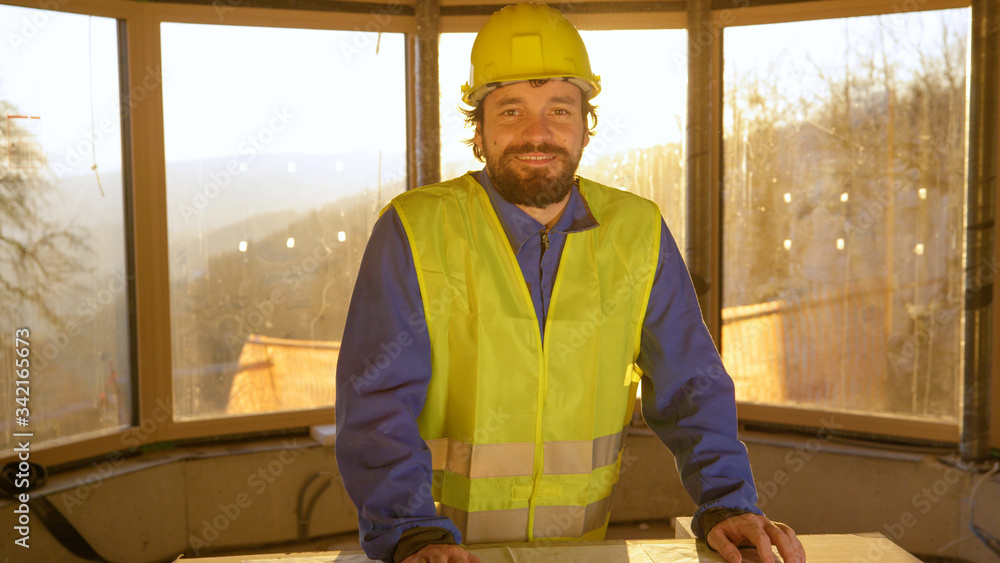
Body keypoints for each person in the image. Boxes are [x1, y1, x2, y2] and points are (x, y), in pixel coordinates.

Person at [335, 3, 806, 563]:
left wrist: (729, 504)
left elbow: (691, 386)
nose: (538, 133)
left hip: (579, 552)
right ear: (478, 130)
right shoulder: (413, 229)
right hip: (435, 551)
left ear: (586, 125)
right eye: (511, 110)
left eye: (559, 109)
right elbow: (376, 403)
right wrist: (412, 532)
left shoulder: (638, 232)